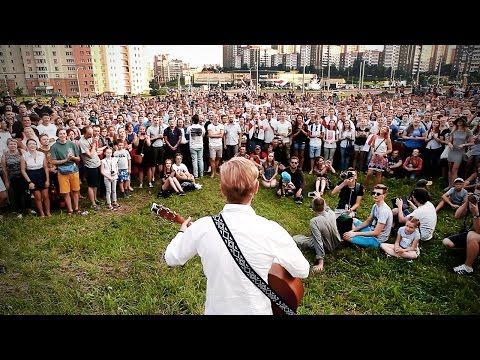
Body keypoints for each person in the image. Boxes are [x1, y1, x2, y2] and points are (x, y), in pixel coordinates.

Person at [164, 157, 310, 314]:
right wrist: (273, 260)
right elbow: (302, 270)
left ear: (221, 189)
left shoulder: (202, 227)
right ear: (256, 188)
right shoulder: (271, 230)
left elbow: (172, 258)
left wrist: (182, 232)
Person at [294, 197, 342, 273]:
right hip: (337, 242)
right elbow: (327, 208)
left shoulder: (314, 221)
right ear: (324, 205)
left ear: (313, 207)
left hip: (326, 247)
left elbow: (318, 240)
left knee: (296, 238)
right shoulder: (331, 213)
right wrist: (320, 198)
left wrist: (320, 262)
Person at [343, 184, 393, 248]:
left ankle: (358, 240)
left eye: (378, 194)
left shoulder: (384, 211)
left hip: (377, 240)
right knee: (353, 220)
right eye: (373, 193)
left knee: (346, 237)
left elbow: (376, 233)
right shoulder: (375, 205)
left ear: (384, 195)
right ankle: (356, 237)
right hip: (371, 231)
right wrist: (353, 230)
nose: (375, 195)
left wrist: (355, 233)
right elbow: (368, 222)